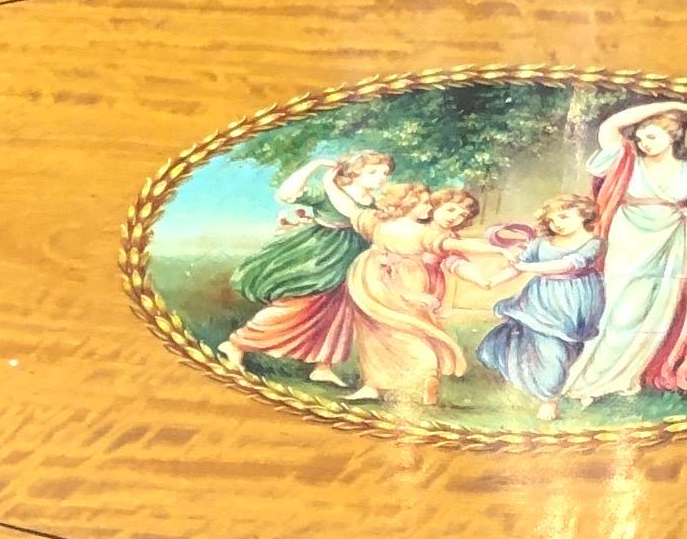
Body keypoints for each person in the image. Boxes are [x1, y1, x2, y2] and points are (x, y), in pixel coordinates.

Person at [565, 101, 687, 404]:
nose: (643, 143)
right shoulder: (627, 160)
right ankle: (589, 379)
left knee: (655, 312)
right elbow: (610, 127)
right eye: (641, 137)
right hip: (627, 240)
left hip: (671, 243)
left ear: (674, 138)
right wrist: (675, 105)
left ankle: (626, 377)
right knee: (618, 311)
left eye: (652, 137)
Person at [217, 148, 391, 378]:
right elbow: (286, 195)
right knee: (299, 304)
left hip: (351, 259)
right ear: (354, 173)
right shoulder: (329, 193)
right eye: (373, 172)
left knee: (339, 312)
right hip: (319, 255)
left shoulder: (374, 203)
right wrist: (313, 166)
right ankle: (237, 343)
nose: (381, 177)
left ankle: (323, 366)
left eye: (385, 173)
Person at [346, 186, 520, 409]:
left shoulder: (436, 235)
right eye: (451, 210)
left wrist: (485, 275)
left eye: (462, 216)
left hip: (416, 288)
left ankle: (422, 374)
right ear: (433, 206)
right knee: (385, 332)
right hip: (392, 281)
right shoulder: (412, 227)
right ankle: (382, 382)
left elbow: (456, 258)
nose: (455, 218)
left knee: (412, 331)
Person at [476, 193, 608, 418]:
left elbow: (568, 265)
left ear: (584, 215)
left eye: (564, 217)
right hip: (541, 300)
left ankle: (553, 384)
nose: (557, 224)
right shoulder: (540, 244)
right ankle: (549, 398)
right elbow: (519, 266)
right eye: (552, 220)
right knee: (547, 347)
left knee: (569, 349)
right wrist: (493, 281)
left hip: (577, 303)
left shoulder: (594, 243)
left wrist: (528, 268)